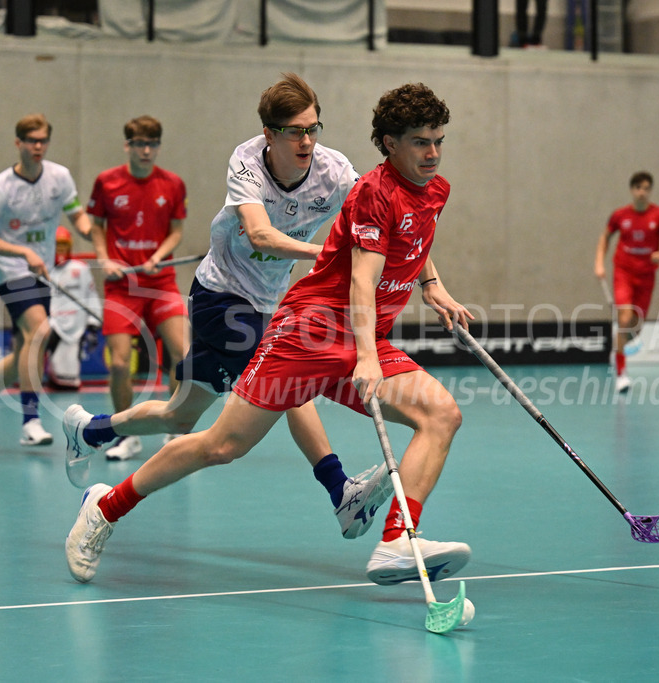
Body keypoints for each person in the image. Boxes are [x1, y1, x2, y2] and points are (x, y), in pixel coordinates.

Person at [64, 81, 473, 589]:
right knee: (220, 443)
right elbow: (354, 273)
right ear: (390, 143)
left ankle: (397, 540)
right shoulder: (329, 181)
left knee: (441, 413)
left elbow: (406, 237)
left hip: (338, 329)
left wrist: (432, 285)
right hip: (279, 320)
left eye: (439, 140)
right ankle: (105, 506)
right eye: (420, 142)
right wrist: (364, 348)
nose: (433, 153)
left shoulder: (418, 187)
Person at [0, 113, 92, 449]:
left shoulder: (60, 177)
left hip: (38, 271)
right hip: (9, 271)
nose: (38, 146)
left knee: (27, 352)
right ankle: (31, 421)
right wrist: (22, 252)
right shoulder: (0, 188)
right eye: (32, 140)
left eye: (43, 140)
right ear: (19, 144)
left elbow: (77, 214)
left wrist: (91, 230)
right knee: (40, 333)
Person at [86, 115, 191, 461]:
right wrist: (104, 258)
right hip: (121, 285)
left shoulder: (173, 184)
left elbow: (176, 230)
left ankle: (173, 428)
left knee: (182, 355)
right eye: (139, 144)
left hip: (160, 282)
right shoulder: (107, 182)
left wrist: (160, 255)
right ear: (127, 146)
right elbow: (96, 226)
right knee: (119, 363)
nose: (147, 151)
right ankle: (124, 435)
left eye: (152, 144)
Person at [594, 170, 659, 393]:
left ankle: (618, 349)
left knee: (636, 328)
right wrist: (599, 263)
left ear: (650, 191)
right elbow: (605, 237)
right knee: (624, 318)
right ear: (632, 190)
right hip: (623, 272)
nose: (642, 192)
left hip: (647, 275)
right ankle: (621, 372)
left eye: (646, 188)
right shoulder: (620, 215)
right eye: (638, 188)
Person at [46, 226, 102, 390]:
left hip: (76, 324)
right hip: (53, 322)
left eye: (63, 245)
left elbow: (91, 296)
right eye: (57, 245)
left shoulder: (81, 269)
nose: (60, 249)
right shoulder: (45, 269)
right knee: (53, 360)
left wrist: (93, 324)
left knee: (70, 373)